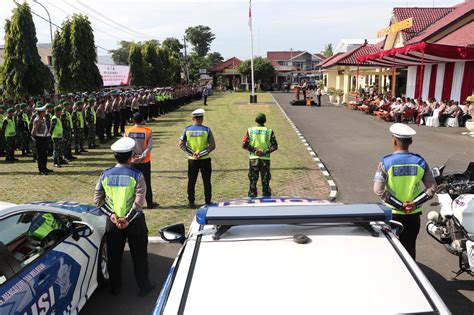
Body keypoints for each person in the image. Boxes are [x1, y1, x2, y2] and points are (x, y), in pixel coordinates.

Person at [94, 137, 155, 297]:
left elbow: (98, 200)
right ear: (131, 156)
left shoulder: (105, 175)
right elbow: (139, 201)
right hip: (134, 222)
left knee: (114, 257)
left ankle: (115, 287)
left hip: (113, 222)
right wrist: (127, 219)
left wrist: (113, 216)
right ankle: (144, 286)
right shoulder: (137, 175)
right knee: (139, 256)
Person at [373, 123, 437, 260]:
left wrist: (399, 205)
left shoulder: (386, 162)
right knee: (409, 249)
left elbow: (378, 189)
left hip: (391, 214)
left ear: (394, 141)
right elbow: (432, 188)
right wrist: (413, 204)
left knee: (389, 248)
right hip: (412, 215)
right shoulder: (420, 162)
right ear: (411, 142)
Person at [179, 109, 216, 208]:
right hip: (205, 159)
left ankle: (191, 202)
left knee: (191, 181)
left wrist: (193, 153)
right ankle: (208, 201)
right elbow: (212, 145)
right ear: (202, 119)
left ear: (193, 119)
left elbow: (181, 144)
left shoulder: (187, 129)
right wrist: (202, 153)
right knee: (206, 181)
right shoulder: (207, 130)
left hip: (192, 159)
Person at [125, 112, 157, 209]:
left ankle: (132, 203)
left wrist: (134, 155)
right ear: (142, 120)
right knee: (146, 182)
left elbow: (126, 145)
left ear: (133, 120)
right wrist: (142, 155)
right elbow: (149, 146)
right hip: (145, 161)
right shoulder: (147, 131)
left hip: (132, 160)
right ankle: (149, 203)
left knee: (132, 182)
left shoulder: (127, 131)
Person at [242, 113, 278, 198]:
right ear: (265, 121)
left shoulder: (250, 130)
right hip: (265, 159)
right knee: (265, 181)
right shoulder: (269, 131)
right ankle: (266, 199)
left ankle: (252, 199)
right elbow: (274, 146)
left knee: (253, 182)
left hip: (253, 159)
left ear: (255, 120)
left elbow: (244, 145)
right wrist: (264, 152)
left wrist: (255, 151)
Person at [31, 103, 52, 175]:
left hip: (44, 138)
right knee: (40, 155)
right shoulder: (37, 120)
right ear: (40, 113)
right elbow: (34, 131)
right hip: (39, 139)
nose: (45, 113)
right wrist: (34, 138)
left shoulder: (43, 119)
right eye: (43, 112)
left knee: (44, 154)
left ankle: (44, 167)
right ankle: (41, 169)